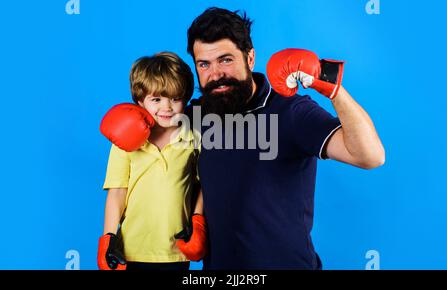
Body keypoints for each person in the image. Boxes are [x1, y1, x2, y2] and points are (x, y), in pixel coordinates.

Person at [185, 7, 385, 269]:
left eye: (225, 60)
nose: (216, 74)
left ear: (250, 57)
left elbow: (370, 156)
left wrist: (331, 87)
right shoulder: (199, 114)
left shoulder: (290, 111)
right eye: (204, 64)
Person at [97, 52, 207, 270]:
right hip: (132, 249)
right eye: (156, 99)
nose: (166, 107)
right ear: (140, 100)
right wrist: (108, 238)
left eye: (175, 99)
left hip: (177, 250)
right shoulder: (125, 138)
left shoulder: (193, 137)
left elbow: (203, 185)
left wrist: (198, 221)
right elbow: (117, 191)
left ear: (185, 99)